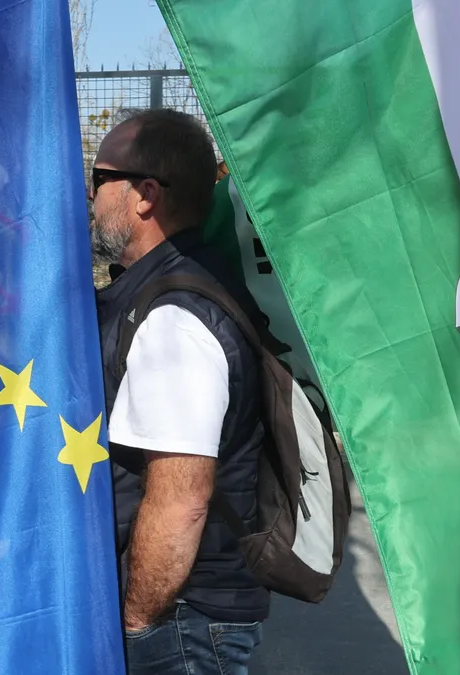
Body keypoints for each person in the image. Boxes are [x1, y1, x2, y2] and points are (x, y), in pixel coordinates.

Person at [91, 108, 269, 675]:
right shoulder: (170, 285)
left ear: (145, 196)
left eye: (99, 179)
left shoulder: (174, 318)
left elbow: (181, 500)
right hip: (184, 617)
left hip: (179, 623)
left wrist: (136, 624)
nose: (90, 197)